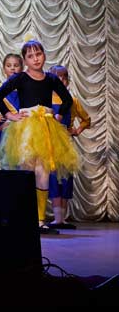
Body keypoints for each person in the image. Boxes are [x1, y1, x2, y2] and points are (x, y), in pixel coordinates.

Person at [0, 39, 80, 235]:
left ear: (44, 55)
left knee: (43, 172)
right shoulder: (20, 78)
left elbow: (67, 100)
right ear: (25, 60)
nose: (35, 59)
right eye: (30, 56)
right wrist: (9, 115)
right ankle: (25, 217)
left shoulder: (51, 79)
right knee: (27, 171)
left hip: (46, 128)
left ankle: (39, 219)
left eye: (38, 54)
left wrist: (58, 116)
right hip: (27, 128)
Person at [47, 65, 91, 230]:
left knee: (65, 178)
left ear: (68, 81)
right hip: (50, 143)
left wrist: (77, 130)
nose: (61, 81)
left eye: (64, 78)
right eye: (57, 78)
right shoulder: (46, 100)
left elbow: (86, 119)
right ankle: (57, 218)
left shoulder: (72, 100)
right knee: (53, 178)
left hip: (66, 144)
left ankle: (62, 219)